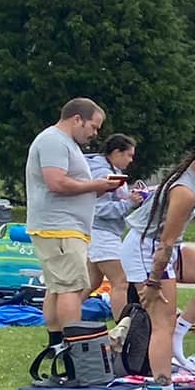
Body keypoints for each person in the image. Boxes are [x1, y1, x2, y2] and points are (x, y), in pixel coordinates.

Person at [120, 133, 195, 379]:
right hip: (148, 249)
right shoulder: (185, 190)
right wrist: (153, 282)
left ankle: (179, 332)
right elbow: (165, 242)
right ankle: (163, 387)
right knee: (162, 324)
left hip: (165, 247)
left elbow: (171, 210)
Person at [25, 97, 126, 342]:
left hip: (62, 228)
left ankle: (56, 343)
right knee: (71, 288)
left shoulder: (65, 143)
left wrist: (100, 189)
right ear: (77, 119)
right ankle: (74, 346)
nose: (95, 133)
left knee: (58, 288)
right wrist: (96, 185)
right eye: (93, 126)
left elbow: (72, 186)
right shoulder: (54, 141)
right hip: (59, 228)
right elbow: (56, 183)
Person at [85, 134, 140, 315]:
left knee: (92, 282)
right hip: (102, 232)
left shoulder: (110, 171)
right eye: (129, 155)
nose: (131, 160)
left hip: (100, 232)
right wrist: (129, 203)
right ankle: (122, 324)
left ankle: (65, 315)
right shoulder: (103, 174)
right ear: (117, 152)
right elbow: (99, 208)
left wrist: (131, 197)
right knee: (120, 281)